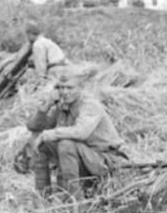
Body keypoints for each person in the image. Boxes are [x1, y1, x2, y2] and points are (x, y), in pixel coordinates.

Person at [26, 67, 126, 200]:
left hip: (103, 160)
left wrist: (50, 133)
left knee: (65, 144)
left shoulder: (89, 104)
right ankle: (43, 196)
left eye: (69, 88)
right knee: (40, 142)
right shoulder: (64, 105)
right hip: (84, 157)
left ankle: (75, 202)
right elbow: (33, 127)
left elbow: (81, 132)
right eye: (61, 88)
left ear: (80, 88)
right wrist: (44, 109)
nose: (64, 92)